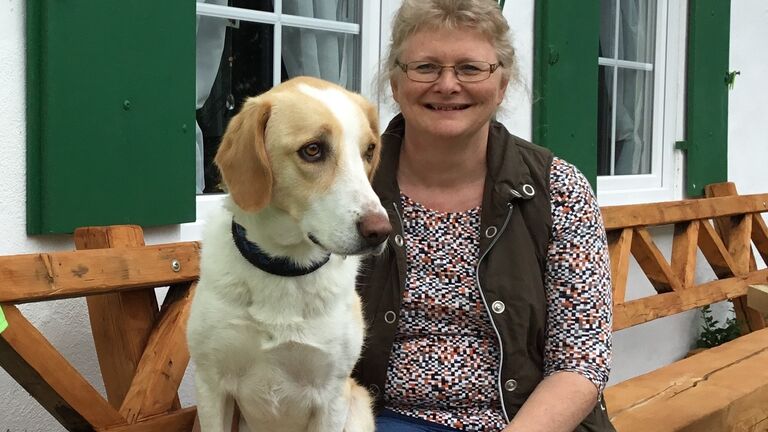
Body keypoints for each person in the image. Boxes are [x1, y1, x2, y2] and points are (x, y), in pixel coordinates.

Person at [352, 1, 616, 431]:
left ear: (503, 84)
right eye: (425, 67)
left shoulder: (557, 189)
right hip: (376, 419)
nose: (447, 84)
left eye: (471, 68)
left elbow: (581, 359)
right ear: (395, 83)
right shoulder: (351, 188)